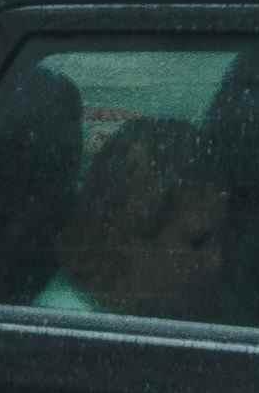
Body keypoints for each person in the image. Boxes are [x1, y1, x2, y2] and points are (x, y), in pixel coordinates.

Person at [36, 116, 232, 322]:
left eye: (220, 239)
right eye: (197, 241)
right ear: (125, 239)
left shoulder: (143, 314)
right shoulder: (68, 329)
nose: (215, 261)